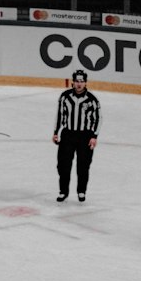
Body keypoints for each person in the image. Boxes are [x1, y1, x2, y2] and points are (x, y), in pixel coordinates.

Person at [53, 68, 101, 202]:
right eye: (76, 81)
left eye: (81, 81)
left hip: (84, 136)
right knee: (63, 165)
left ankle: (81, 191)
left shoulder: (92, 100)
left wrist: (94, 136)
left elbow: (98, 118)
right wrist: (56, 132)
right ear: (72, 82)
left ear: (85, 83)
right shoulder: (65, 97)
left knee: (83, 165)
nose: (79, 84)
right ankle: (63, 191)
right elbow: (60, 115)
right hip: (68, 135)